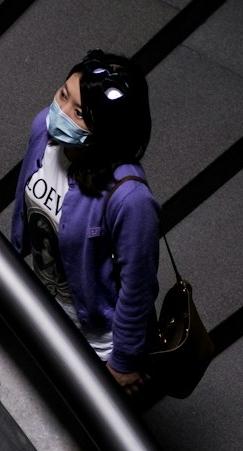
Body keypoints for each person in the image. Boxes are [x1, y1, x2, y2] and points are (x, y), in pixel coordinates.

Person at [11, 49, 160, 398]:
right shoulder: (43, 133)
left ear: (105, 130)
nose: (59, 114)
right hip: (43, 313)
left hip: (96, 344)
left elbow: (137, 287)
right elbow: (23, 210)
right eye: (63, 95)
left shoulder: (130, 199)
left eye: (78, 113)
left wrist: (122, 362)